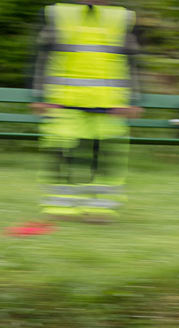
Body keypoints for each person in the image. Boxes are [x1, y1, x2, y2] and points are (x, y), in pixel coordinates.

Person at [31, 0, 141, 221]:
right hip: (64, 101)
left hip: (109, 103)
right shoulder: (56, 14)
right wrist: (39, 96)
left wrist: (134, 99)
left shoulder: (123, 18)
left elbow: (132, 61)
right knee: (61, 152)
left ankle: (100, 209)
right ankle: (60, 206)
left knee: (106, 157)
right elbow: (40, 56)